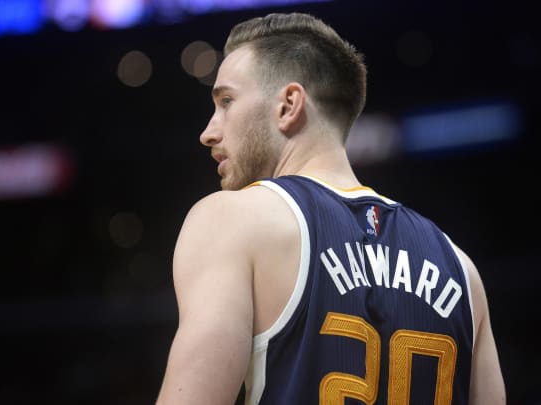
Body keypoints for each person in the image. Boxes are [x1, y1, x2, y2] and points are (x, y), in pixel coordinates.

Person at [157, 12, 505, 405]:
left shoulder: (231, 220)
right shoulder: (462, 269)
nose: (209, 131)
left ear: (288, 105)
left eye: (226, 101)